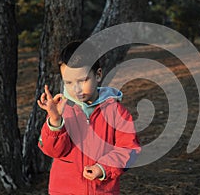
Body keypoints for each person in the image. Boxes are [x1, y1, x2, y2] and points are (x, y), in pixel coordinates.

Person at [37, 40, 140, 194]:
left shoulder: (116, 112)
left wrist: (103, 167)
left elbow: (129, 149)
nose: (76, 89)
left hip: (102, 190)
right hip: (65, 190)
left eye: (82, 80)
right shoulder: (61, 111)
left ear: (98, 75)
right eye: (69, 82)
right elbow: (52, 151)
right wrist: (55, 121)